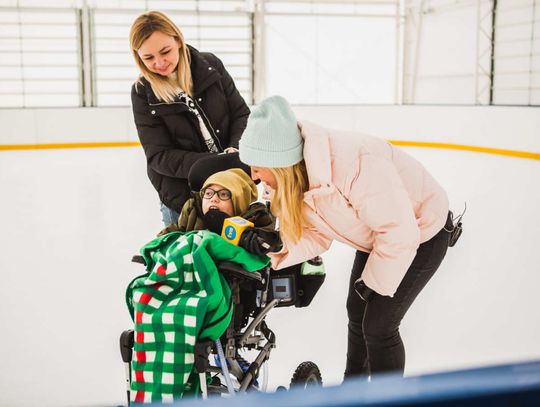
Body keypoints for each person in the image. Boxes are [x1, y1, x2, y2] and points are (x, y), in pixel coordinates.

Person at [238, 95, 453, 378]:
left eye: (257, 166)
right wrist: (277, 245)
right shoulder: (294, 177)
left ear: (279, 162)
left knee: (379, 326)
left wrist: (375, 283)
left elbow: (399, 232)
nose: (253, 176)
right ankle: (352, 391)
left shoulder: (355, 164)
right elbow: (316, 233)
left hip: (422, 232)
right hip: (379, 235)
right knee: (357, 310)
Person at [129, 11, 250, 226]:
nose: (159, 62)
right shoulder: (142, 92)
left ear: (178, 40)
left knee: (233, 256)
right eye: (148, 58)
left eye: (165, 51)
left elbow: (240, 114)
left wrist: (235, 148)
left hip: (228, 189)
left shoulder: (210, 65)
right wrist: (215, 164)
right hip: (182, 199)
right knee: (186, 258)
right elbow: (159, 156)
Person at [159, 167, 282, 256]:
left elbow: (273, 244)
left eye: (223, 194)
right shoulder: (193, 213)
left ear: (238, 202)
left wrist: (238, 234)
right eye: (208, 193)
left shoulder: (256, 218)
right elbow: (167, 237)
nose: (214, 198)